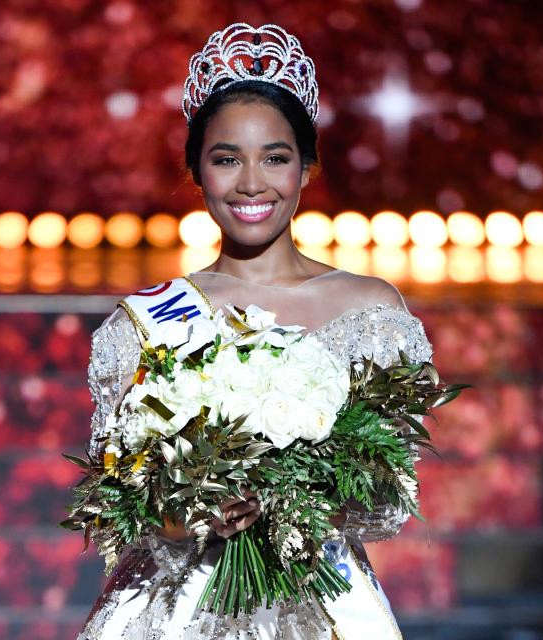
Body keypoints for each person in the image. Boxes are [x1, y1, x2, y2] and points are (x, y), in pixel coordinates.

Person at [76, 23, 432, 640]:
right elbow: (116, 505)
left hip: (321, 607)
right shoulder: (140, 325)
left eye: (274, 157)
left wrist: (294, 500)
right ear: (196, 171)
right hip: (175, 610)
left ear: (306, 167)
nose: (250, 183)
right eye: (226, 159)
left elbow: (391, 495)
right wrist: (188, 509)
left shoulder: (369, 311)